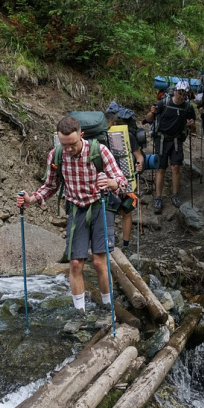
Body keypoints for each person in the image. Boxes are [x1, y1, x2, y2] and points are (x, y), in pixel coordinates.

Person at [17, 116, 129, 334]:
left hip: (100, 206)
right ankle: (79, 313)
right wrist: (31, 199)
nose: (67, 149)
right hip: (76, 209)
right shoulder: (56, 155)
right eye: (63, 144)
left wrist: (111, 183)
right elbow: (50, 186)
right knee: (75, 264)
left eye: (72, 144)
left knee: (98, 262)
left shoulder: (100, 151)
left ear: (82, 136)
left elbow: (122, 181)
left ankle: (108, 310)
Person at [144, 80, 196, 214]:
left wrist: (191, 124)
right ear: (175, 91)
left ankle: (175, 195)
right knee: (161, 168)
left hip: (177, 139)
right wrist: (152, 111)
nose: (182, 95)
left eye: (185, 93)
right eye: (180, 92)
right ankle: (158, 198)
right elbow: (149, 119)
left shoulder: (188, 107)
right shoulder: (163, 103)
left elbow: (193, 128)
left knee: (176, 167)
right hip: (161, 138)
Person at [104, 109, 143, 257]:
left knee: (126, 211)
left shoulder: (128, 136)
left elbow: (138, 155)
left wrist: (140, 163)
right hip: (109, 182)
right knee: (110, 212)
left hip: (126, 179)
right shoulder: (100, 138)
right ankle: (111, 242)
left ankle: (125, 245)